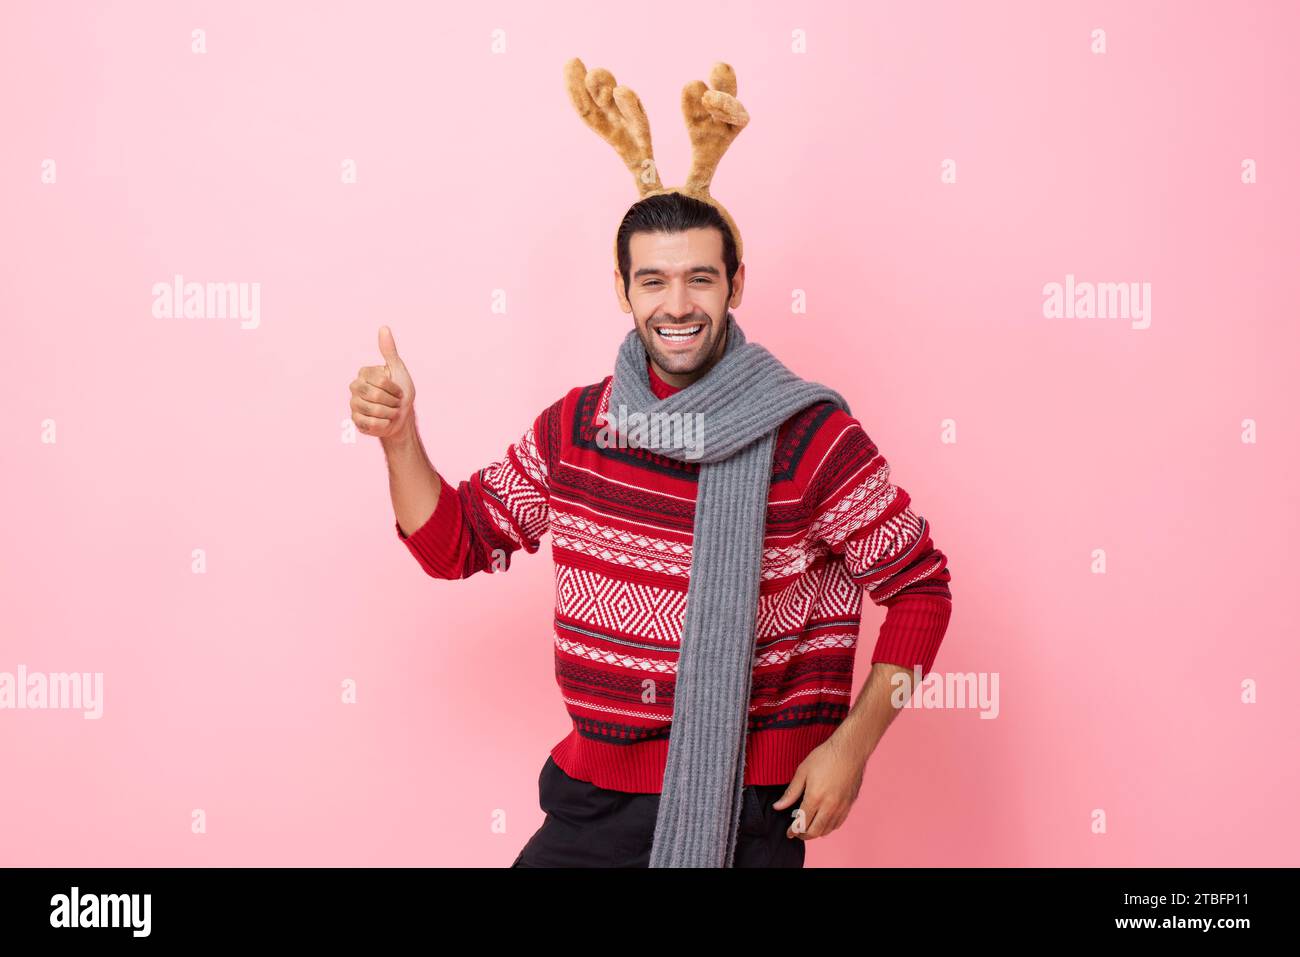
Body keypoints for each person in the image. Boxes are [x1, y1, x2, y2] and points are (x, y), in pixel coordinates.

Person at [347, 60, 953, 868]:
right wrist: (400, 437)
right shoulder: (578, 426)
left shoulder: (810, 437)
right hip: (590, 798)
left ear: (736, 284)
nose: (677, 305)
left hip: (748, 809)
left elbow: (922, 591)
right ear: (623, 290)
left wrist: (853, 746)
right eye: (654, 280)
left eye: (701, 278)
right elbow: (456, 543)